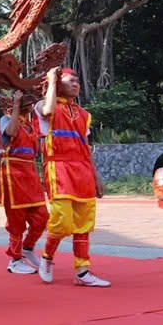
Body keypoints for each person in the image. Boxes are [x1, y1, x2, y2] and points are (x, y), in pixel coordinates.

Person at [35, 67, 110, 287]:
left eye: (78, 80)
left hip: (83, 170)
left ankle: (82, 271)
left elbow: (86, 148)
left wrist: (96, 178)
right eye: (71, 80)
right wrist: (50, 79)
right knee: (62, 221)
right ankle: (47, 257)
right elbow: (48, 109)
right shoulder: (43, 106)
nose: (76, 84)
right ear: (58, 84)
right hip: (59, 168)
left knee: (84, 223)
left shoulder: (84, 114)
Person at [0, 91, 48, 274]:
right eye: (25, 100)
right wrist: (16, 106)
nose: (30, 103)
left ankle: (28, 247)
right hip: (13, 172)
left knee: (42, 217)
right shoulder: (6, 119)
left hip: (30, 172)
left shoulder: (31, 125)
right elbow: (10, 132)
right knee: (16, 219)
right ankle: (15, 260)